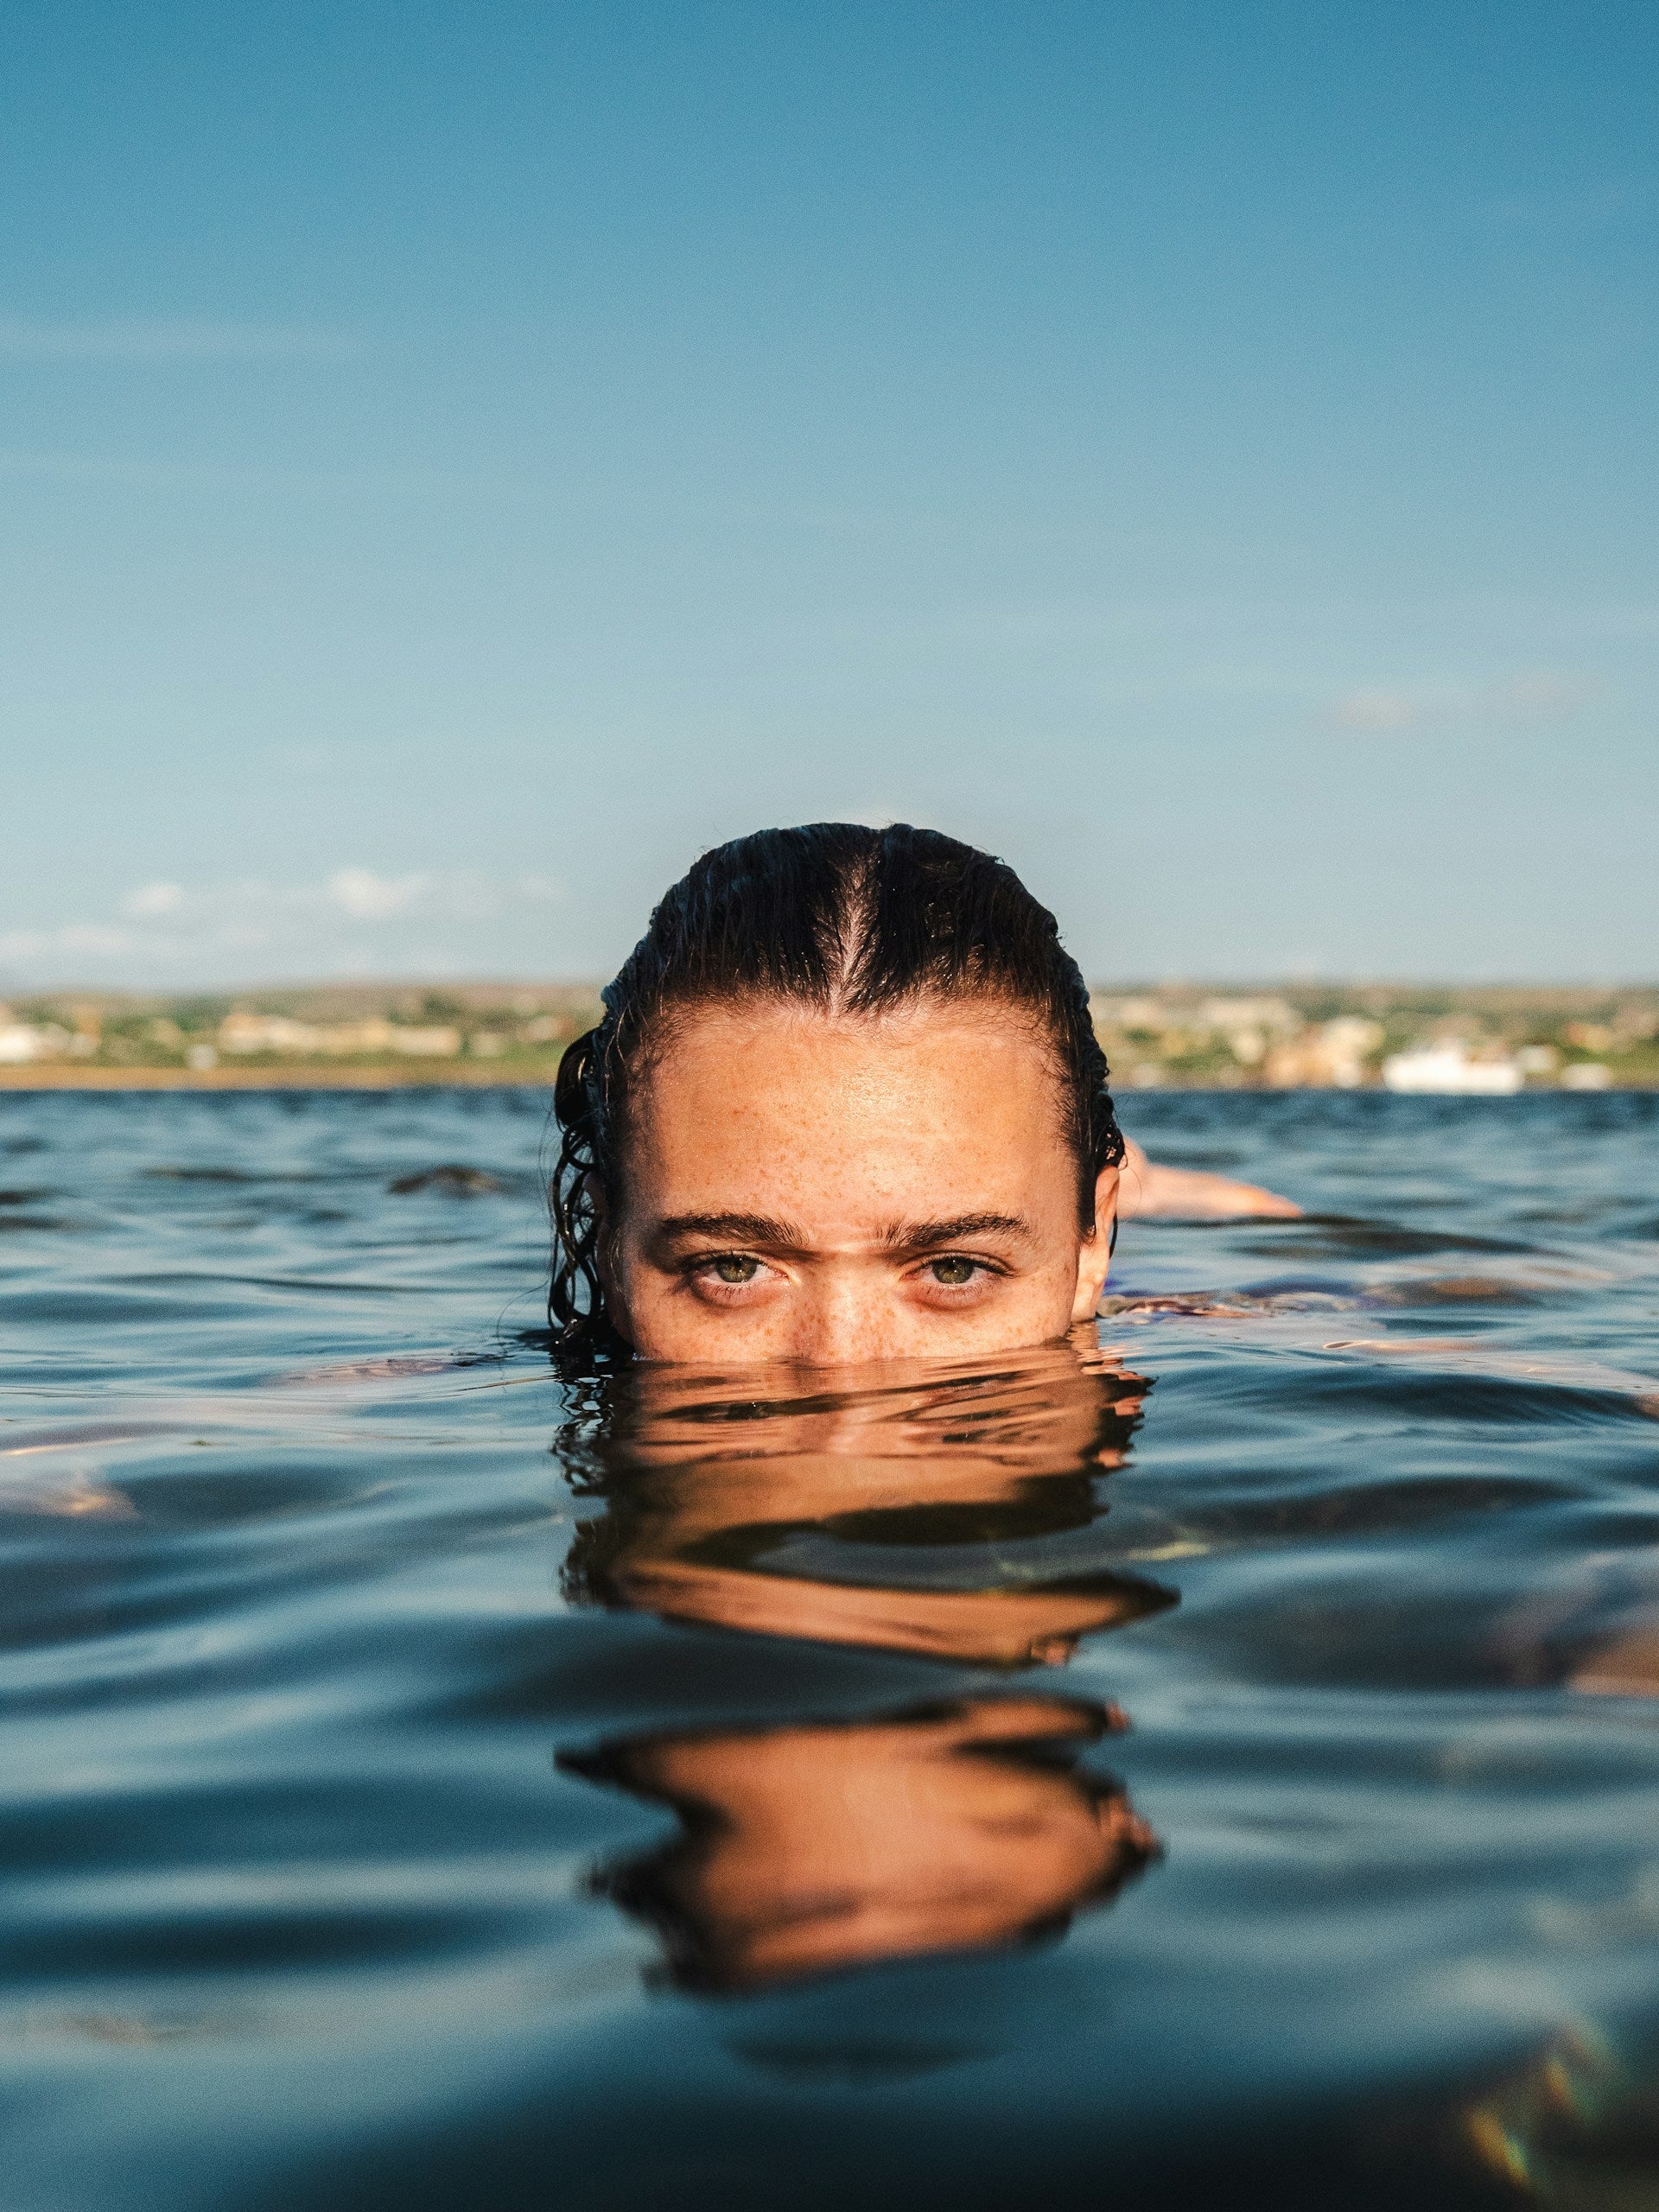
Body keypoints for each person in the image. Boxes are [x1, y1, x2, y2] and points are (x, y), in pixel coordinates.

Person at [550, 823, 1296, 1366]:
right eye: (732, 1267)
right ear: (611, 1248)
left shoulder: (1215, 1316)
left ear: (1091, 1248)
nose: (844, 1379)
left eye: (954, 1269)